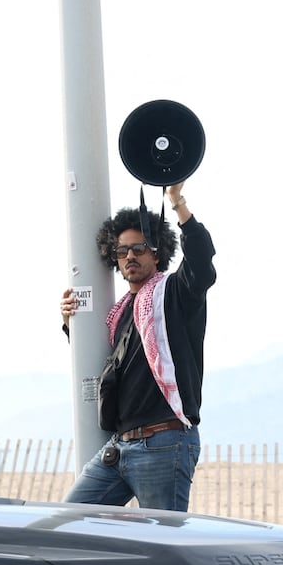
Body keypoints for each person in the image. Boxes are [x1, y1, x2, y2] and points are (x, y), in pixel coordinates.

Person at [59, 182, 214, 511]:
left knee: (164, 550)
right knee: (70, 520)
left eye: (139, 248)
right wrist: (73, 325)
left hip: (164, 442)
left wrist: (176, 201)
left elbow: (201, 262)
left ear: (157, 253)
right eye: (122, 251)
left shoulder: (174, 294)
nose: (129, 255)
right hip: (120, 448)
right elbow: (114, 366)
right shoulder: (119, 314)